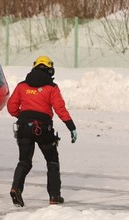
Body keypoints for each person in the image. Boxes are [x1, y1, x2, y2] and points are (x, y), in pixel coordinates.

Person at [7, 56, 77, 207]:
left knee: (24, 161)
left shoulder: (21, 86)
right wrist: (71, 126)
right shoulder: (52, 87)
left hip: (23, 128)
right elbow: (60, 109)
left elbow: (11, 107)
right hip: (43, 129)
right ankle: (54, 196)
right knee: (52, 161)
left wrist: (23, 117)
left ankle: (16, 188)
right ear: (49, 69)